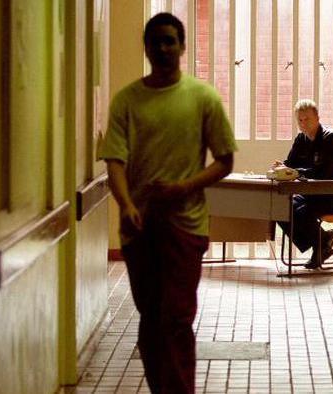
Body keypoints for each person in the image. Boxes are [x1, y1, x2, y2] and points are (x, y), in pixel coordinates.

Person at [99, 13, 236, 394]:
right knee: (150, 318)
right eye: (155, 41)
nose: (162, 48)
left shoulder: (202, 98)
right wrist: (126, 204)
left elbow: (225, 161)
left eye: (169, 41)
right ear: (145, 47)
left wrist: (182, 188)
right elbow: (114, 161)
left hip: (185, 226)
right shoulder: (127, 101)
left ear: (182, 46)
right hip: (139, 229)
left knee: (176, 317)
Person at [274, 99, 333, 269]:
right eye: (300, 120)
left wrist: (297, 172)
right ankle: (322, 241)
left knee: (296, 208)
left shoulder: (330, 138)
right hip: (310, 194)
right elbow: (290, 165)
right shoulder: (301, 139)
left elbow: (325, 173)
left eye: (307, 119)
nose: (303, 123)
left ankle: (321, 243)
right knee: (280, 207)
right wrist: (281, 168)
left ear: (317, 118)